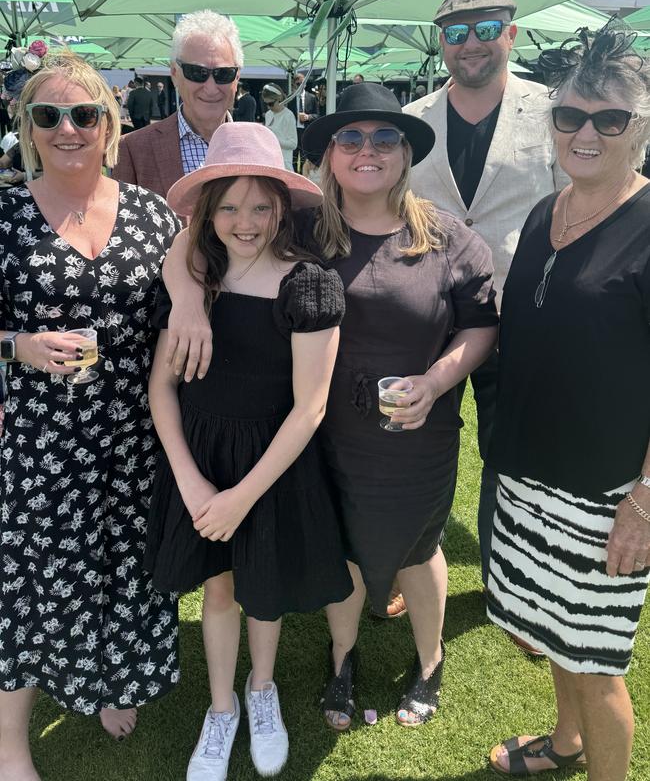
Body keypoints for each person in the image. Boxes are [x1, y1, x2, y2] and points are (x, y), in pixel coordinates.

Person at [162, 83, 498, 731]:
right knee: (339, 543)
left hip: (415, 434)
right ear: (329, 154)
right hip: (321, 433)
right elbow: (197, 237)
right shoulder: (307, 229)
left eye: (384, 138)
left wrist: (436, 381)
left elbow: (481, 323)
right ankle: (340, 658)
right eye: (351, 137)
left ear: (405, 153)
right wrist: (182, 300)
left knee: (418, 548)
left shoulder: (448, 236)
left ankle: (429, 663)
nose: (367, 150)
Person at [144, 121, 352, 781]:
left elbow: (309, 407)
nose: (245, 221)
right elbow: (161, 391)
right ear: (208, 211)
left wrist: (241, 496)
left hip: (271, 469)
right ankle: (221, 703)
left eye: (260, 205)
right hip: (201, 464)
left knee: (262, 590)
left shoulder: (308, 285)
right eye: (228, 206)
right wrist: (197, 487)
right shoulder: (191, 283)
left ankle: (262, 690)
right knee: (219, 589)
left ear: (281, 207)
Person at [0, 53, 181, 780]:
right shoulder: (6, 215)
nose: (68, 128)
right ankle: (10, 739)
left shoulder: (150, 213)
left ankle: (111, 681)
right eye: (49, 116)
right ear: (28, 129)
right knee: (31, 579)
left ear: (110, 124)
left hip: (136, 435)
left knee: (125, 569)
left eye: (85, 114)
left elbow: (184, 302)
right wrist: (20, 346)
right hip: (43, 440)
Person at [485, 23, 650, 781]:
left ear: (639, 129)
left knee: (596, 660)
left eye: (609, 119)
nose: (586, 132)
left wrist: (645, 498)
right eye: (570, 116)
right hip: (528, 474)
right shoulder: (541, 212)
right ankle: (565, 744)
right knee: (552, 631)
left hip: (606, 491)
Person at [404, 0, 566, 604]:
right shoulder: (413, 121)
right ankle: (405, 561)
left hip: (524, 315)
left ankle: (512, 580)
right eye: (454, 31)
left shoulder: (554, 110)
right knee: (412, 444)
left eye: (484, 27)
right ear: (439, 42)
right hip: (429, 314)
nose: (470, 42)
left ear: (511, 32)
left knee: (514, 454)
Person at [114, 10, 242, 197]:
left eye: (223, 74)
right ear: (175, 73)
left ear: (237, 77)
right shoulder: (133, 149)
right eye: (197, 73)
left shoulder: (259, 147)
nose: (211, 87)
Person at [262, 83, 297, 171]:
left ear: (279, 99)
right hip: (269, 162)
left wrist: (274, 140)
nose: (268, 107)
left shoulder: (288, 115)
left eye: (271, 104)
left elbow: (293, 144)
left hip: (283, 164)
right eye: (266, 104)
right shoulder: (268, 114)